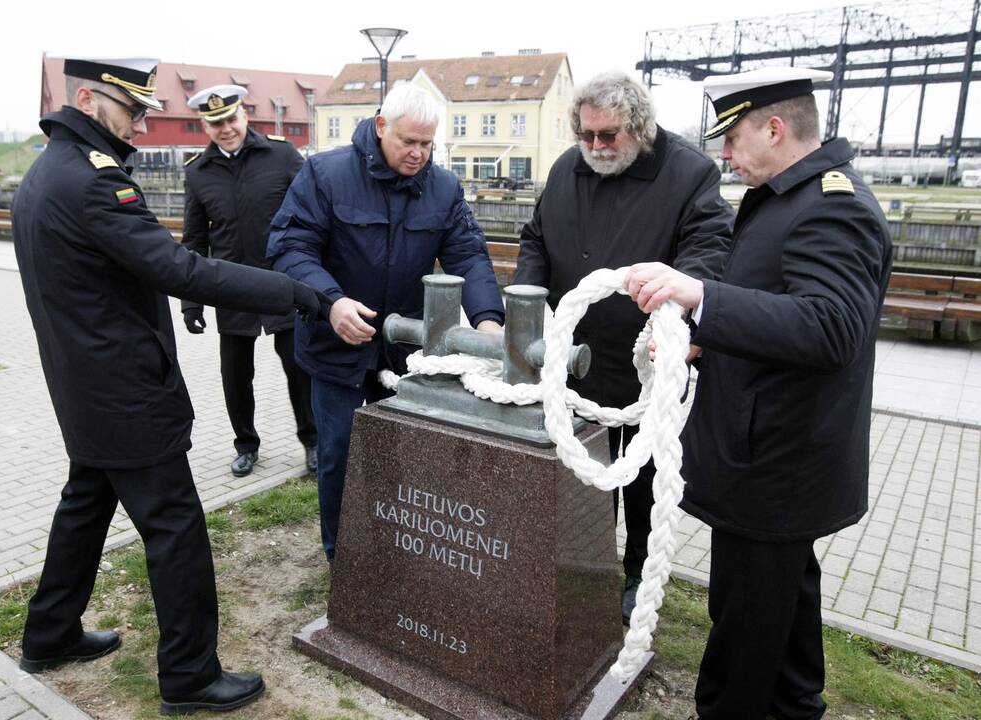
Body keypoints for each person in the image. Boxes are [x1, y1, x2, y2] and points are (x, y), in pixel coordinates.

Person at [12, 57, 326, 716]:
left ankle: (49, 632)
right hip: (126, 393)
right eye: (133, 110)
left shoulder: (46, 171)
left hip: (83, 388)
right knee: (176, 530)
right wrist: (293, 291)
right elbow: (179, 267)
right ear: (94, 100)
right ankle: (189, 675)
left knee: (85, 507)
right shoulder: (97, 183)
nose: (142, 123)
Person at [624, 66, 892, 719]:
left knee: (743, 627)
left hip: (776, 463)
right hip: (766, 457)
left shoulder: (832, 206)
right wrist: (702, 339)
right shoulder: (784, 197)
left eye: (733, 137)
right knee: (783, 611)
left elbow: (830, 328)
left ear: (774, 128)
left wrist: (699, 295)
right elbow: (773, 309)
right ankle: (797, 708)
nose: (723, 154)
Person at [513, 70, 733, 624]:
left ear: (640, 127)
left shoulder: (689, 173)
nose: (595, 147)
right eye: (586, 135)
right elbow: (536, 237)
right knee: (578, 477)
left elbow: (709, 248)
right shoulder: (569, 168)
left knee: (639, 483)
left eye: (608, 136)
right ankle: (582, 569)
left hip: (641, 361)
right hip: (573, 360)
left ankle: (637, 573)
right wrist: (529, 301)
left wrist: (679, 318)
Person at [267, 83, 505, 564]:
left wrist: (488, 320)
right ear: (381, 127)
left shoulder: (443, 187)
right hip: (335, 343)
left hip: (405, 351)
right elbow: (290, 248)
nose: (419, 154)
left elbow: (468, 255)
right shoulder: (325, 174)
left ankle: (397, 549)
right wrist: (331, 303)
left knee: (404, 452)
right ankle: (344, 557)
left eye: (427, 143)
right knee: (338, 453)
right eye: (408, 142)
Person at [180, 84, 318, 478]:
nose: (225, 128)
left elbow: (311, 217)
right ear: (205, 126)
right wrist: (192, 303)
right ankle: (246, 445)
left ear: (244, 116)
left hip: (283, 282)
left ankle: (313, 441)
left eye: (230, 119)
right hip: (231, 288)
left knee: (299, 367)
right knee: (235, 375)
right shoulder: (198, 172)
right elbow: (194, 242)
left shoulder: (281, 156)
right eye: (215, 123)